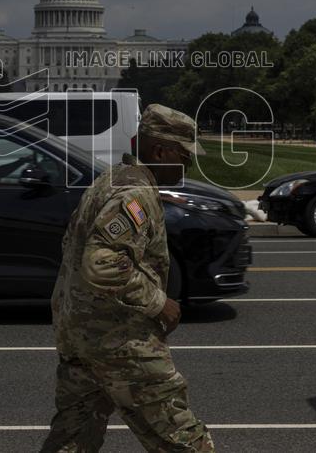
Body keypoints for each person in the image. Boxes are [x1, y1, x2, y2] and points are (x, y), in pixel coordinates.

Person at [41, 104, 214, 453]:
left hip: (82, 333)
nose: (189, 164)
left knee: (73, 438)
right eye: (184, 154)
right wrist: (157, 302)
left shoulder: (112, 179)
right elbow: (100, 261)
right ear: (159, 151)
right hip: (120, 340)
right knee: (183, 439)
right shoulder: (134, 194)